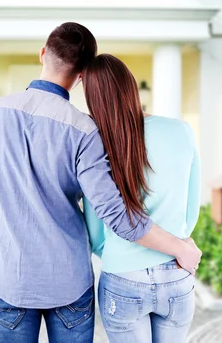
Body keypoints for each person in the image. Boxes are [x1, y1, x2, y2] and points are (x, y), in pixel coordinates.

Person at [0, 23, 202, 343]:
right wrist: (179, 246)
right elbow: (115, 214)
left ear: (42, 54)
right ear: (80, 76)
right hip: (69, 283)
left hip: (11, 278)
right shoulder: (84, 130)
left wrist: (6, 244)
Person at [83, 54, 201, 342]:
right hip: (175, 270)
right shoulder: (180, 131)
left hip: (122, 278)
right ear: (131, 87)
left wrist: (116, 253)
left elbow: (96, 229)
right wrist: (178, 243)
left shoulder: (97, 143)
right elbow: (191, 211)